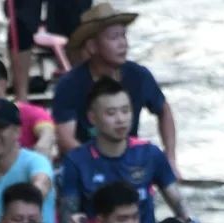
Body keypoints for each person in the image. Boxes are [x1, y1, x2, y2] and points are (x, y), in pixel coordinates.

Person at [58, 78, 187, 223]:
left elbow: (180, 208)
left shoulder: (150, 154)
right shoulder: (76, 161)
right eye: (111, 113)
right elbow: (66, 220)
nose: (120, 119)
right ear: (92, 118)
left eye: (125, 111)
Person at [53, 3, 176, 168]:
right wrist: (101, 165)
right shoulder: (69, 84)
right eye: (114, 38)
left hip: (127, 160)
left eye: (123, 36)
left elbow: (164, 110)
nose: (122, 44)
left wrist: (170, 157)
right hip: (84, 165)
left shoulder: (138, 75)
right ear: (92, 46)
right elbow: (65, 139)